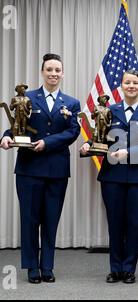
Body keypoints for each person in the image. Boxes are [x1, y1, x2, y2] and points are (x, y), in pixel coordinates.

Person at [0, 53, 80, 284]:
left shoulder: (71, 103)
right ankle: (31, 267)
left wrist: (47, 143)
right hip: (28, 169)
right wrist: (5, 138)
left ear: (62, 74)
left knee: (51, 219)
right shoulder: (27, 98)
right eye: (49, 69)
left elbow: (72, 132)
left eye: (57, 70)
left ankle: (48, 266)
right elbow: (16, 126)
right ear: (42, 72)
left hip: (57, 170)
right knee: (29, 219)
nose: (53, 73)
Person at [80, 69, 138, 284]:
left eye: (135, 82)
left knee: (134, 223)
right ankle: (115, 269)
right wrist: (89, 144)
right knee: (114, 222)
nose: (131, 86)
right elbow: (100, 137)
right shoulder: (109, 110)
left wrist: (129, 153)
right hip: (112, 176)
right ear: (121, 86)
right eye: (127, 82)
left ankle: (129, 269)